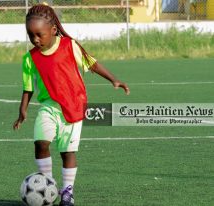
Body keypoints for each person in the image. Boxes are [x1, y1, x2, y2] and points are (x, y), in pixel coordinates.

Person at [13, 3, 130, 206]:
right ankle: (47, 183)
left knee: (67, 152)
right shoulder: (30, 58)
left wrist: (114, 79)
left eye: (39, 34)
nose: (35, 40)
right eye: (31, 35)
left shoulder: (69, 46)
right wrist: (22, 110)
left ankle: (67, 191)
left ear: (53, 30)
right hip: (49, 106)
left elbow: (91, 63)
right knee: (41, 143)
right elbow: (28, 86)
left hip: (73, 107)